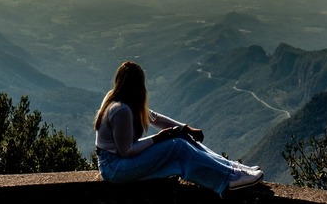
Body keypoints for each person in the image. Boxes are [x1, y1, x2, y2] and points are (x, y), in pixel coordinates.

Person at [94, 60, 264, 196]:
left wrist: (186, 129)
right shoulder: (120, 109)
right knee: (177, 147)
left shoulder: (122, 100)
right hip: (114, 168)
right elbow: (127, 151)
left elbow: (155, 118)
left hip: (119, 163)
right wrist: (158, 138)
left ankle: (232, 168)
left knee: (182, 138)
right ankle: (227, 179)